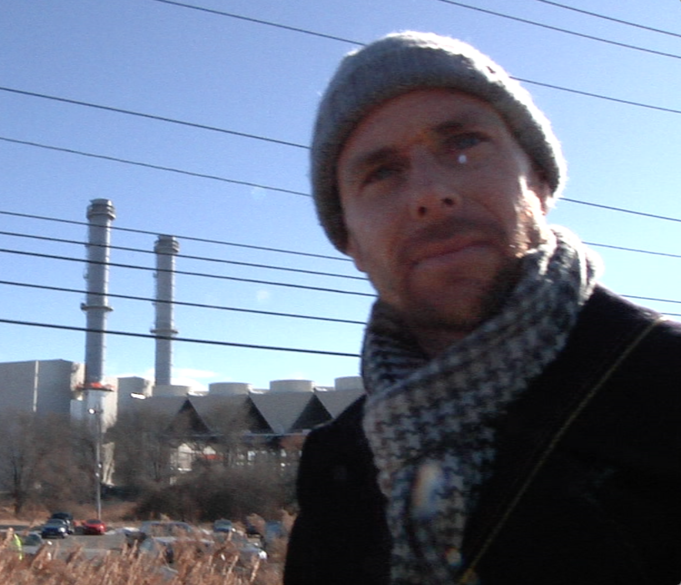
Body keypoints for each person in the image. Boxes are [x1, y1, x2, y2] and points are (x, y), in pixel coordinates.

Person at [284, 31, 681, 585]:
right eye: (381, 172)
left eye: (463, 143)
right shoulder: (338, 462)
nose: (431, 192)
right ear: (349, 241)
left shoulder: (666, 387)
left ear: (539, 182)